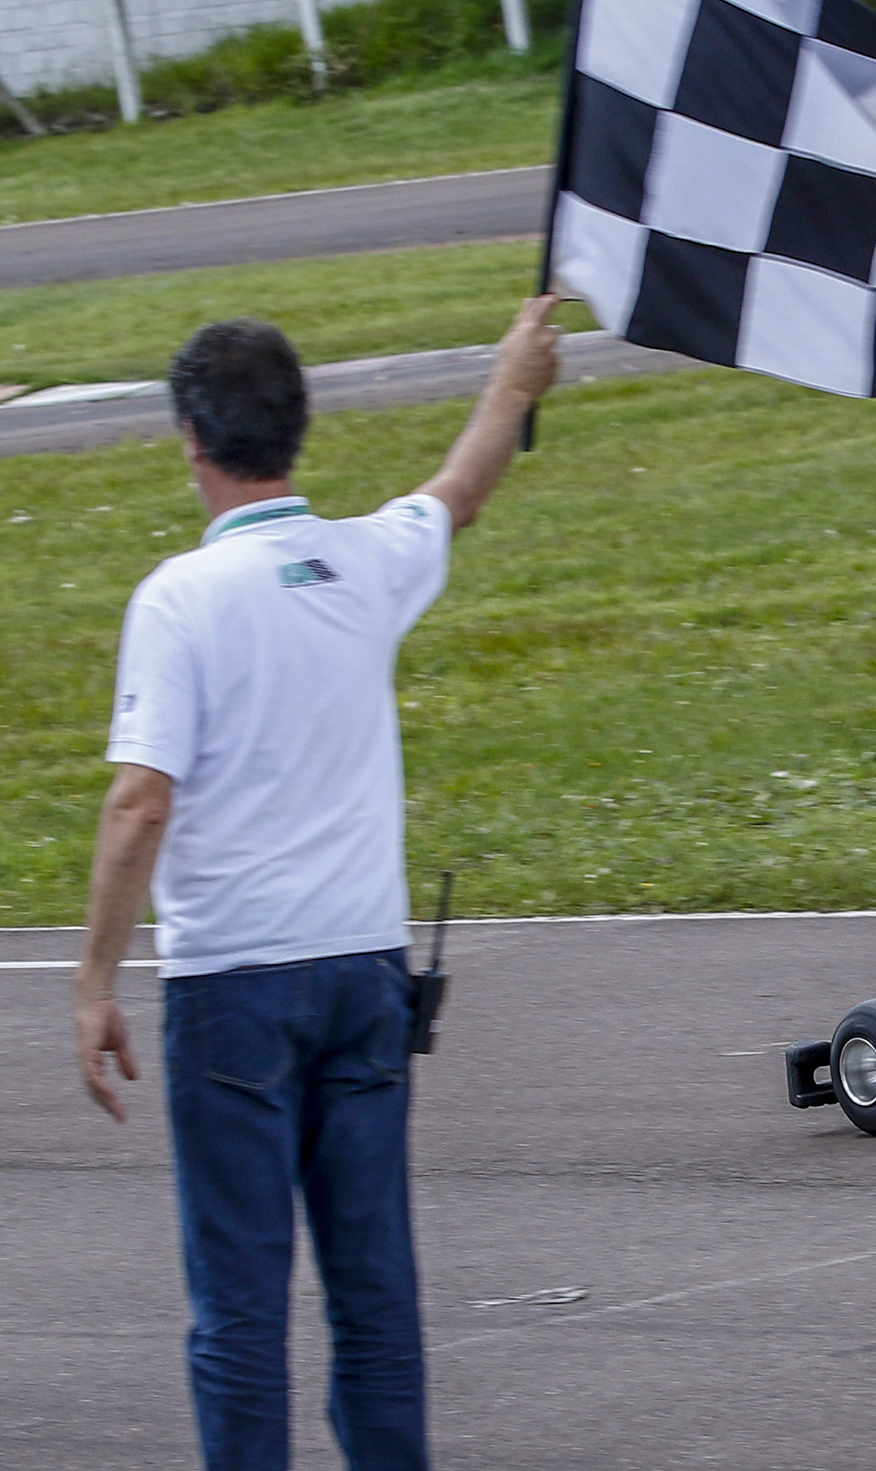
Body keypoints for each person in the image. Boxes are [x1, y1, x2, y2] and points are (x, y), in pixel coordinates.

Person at [73, 296, 563, 1471]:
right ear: (300, 427)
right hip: (362, 972)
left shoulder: (180, 596)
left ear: (192, 439)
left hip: (233, 984)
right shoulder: (362, 558)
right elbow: (460, 491)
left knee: (241, 1302)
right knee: (373, 1287)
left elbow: (140, 801)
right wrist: (513, 380)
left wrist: (93, 981)